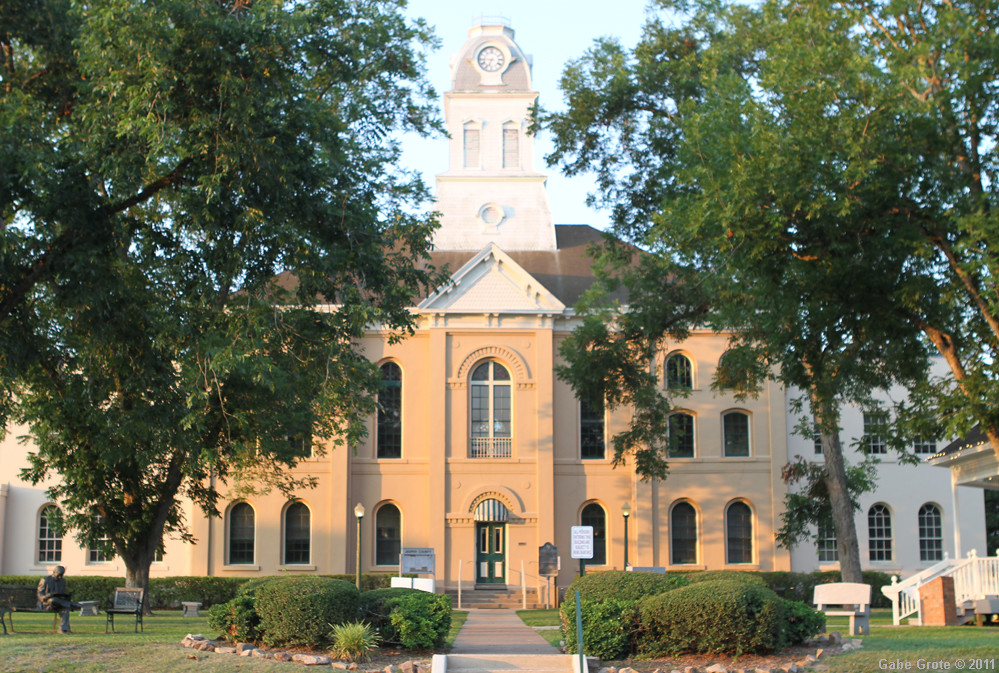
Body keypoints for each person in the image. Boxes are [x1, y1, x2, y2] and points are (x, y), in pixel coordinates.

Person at [37, 565, 82, 634]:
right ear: (54, 572)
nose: (60, 577)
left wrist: (66, 596)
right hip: (47, 604)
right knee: (53, 600)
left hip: (59, 603)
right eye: (58, 575)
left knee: (65, 609)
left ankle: (62, 630)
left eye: (61, 575)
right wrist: (47, 596)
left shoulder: (62, 581)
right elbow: (40, 595)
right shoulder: (45, 580)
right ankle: (71, 604)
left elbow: (61, 594)